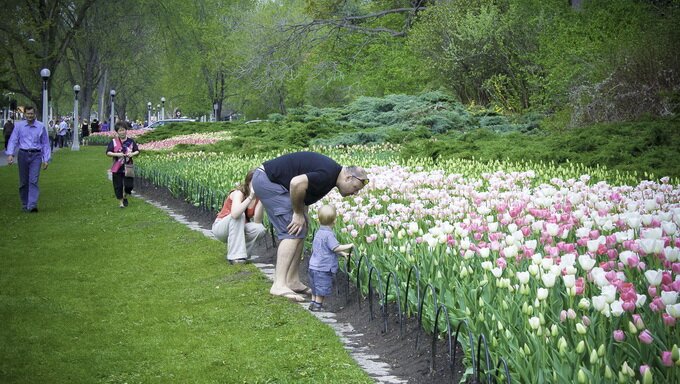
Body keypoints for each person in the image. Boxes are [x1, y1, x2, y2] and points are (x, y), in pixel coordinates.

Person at [252, 151, 368, 302]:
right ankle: (279, 284)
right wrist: (298, 213)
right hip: (268, 181)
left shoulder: (331, 175)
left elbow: (303, 191)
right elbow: (296, 183)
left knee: (300, 227)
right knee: (291, 230)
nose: (355, 193)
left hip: (269, 180)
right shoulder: (327, 174)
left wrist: (302, 213)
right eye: (355, 187)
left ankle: (292, 281)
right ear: (348, 177)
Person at [211, 169, 266, 264]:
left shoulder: (258, 197)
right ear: (248, 182)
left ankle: (243, 255)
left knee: (259, 229)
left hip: (238, 228)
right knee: (240, 215)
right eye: (255, 182)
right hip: (221, 227)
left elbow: (257, 221)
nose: (257, 184)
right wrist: (250, 197)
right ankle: (235, 257)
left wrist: (262, 199)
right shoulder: (238, 193)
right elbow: (235, 214)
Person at [4, 106, 51, 212]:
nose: (30, 116)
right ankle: (25, 204)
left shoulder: (40, 126)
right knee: (23, 182)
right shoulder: (19, 126)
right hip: (23, 155)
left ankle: (32, 205)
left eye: (32, 114)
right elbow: (13, 140)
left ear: (35, 114)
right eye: (28, 113)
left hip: (36, 155)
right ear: (25, 114)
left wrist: (46, 159)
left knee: (33, 181)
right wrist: (10, 154)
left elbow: (45, 143)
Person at [308, 205, 353, 311]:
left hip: (313, 265)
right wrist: (349, 246)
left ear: (318, 220)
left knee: (315, 286)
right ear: (335, 221)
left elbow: (326, 249)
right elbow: (335, 247)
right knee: (322, 287)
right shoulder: (328, 235)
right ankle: (318, 306)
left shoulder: (319, 232)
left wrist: (342, 254)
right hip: (323, 267)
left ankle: (313, 303)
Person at [106, 121, 140, 208]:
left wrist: (132, 154)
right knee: (118, 185)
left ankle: (125, 195)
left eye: (123, 130)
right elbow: (108, 152)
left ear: (126, 130)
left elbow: (137, 151)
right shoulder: (114, 142)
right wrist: (118, 154)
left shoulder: (131, 141)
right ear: (117, 132)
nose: (122, 132)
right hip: (117, 167)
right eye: (120, 130)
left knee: (129, 185)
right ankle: (121, 202)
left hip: (128, 166)